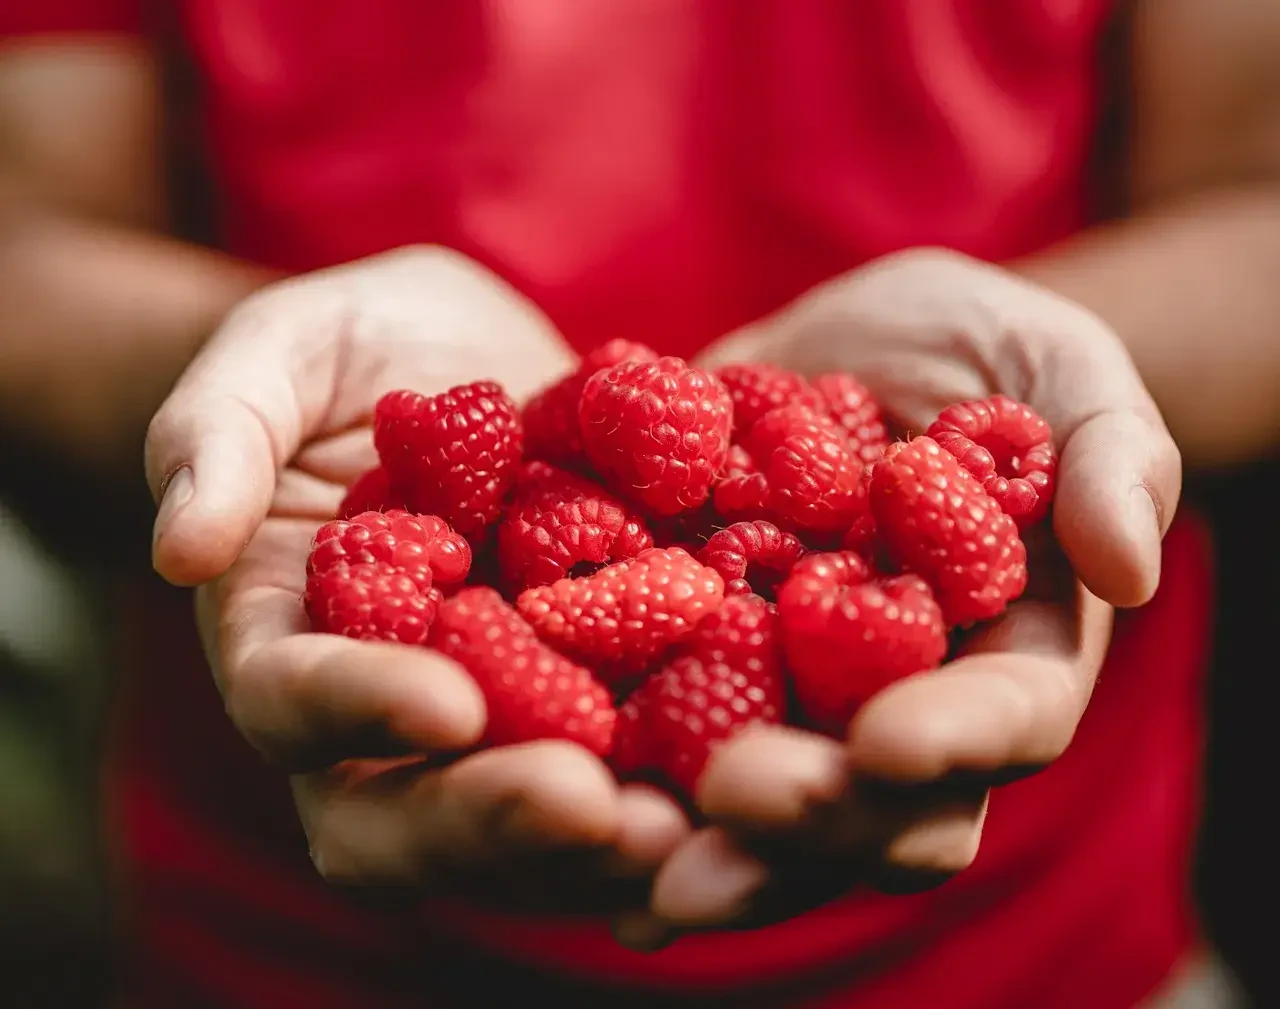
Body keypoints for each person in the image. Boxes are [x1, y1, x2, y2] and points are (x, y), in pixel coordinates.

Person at [1, 1, 1274, 1006]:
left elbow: (1252, 210)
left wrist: (1074, 386)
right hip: (278, 950)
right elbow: (27, 249)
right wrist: (241, 383)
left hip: (1043, 958)